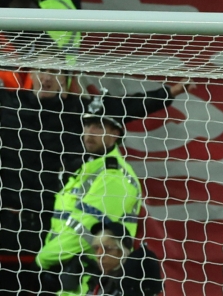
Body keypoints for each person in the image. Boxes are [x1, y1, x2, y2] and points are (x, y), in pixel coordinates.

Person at [0, 72, 179, 257]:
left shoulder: (78, 111)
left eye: (55, 73)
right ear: (32, 74)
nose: (47, 78)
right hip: (9, 219)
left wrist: (167, 94)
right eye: (42, 71)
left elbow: (124, 107)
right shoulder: (7, 104)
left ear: (64, 79)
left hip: (53, 225)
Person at [34, 98, 142, 296]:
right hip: (71, 285)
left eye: (99, 126)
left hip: (93, 288)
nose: (90, 131)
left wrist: (41, 260)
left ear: (115, 133)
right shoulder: (87, 169)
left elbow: (83, 234)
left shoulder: (114, 176)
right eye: (87, 124)